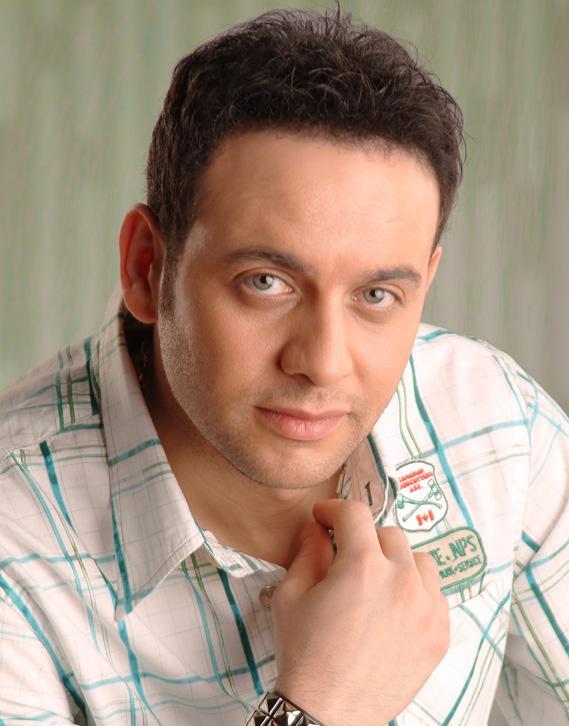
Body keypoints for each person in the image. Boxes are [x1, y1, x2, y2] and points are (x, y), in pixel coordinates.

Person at [0, 6, 567, 725]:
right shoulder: (14, 541)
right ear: (147, 267)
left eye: (376, 295)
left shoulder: (499, 425)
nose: (323, 363)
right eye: (266, 282)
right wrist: (321, 706)